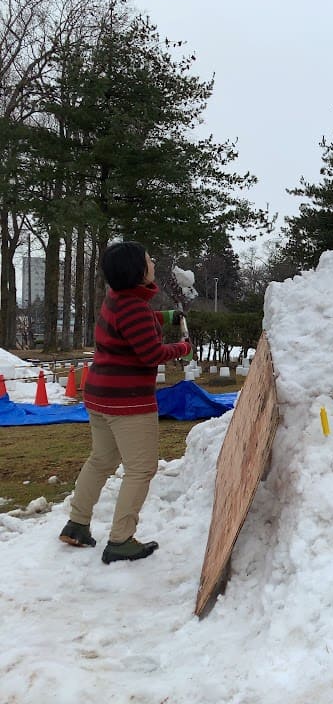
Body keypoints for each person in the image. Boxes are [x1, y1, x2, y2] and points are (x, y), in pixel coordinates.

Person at [58, 241, 191, 563]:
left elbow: (136, 324)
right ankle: (120, 540)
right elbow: (151, 354)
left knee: (101, 459)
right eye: (148, 260)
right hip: (127, 403)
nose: (153, 262)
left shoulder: (118, 299)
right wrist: (182, 348)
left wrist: (166, 316)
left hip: (99, 396)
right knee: (141, 468)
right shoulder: (133, 307)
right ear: (138, 270)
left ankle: (77, 523)